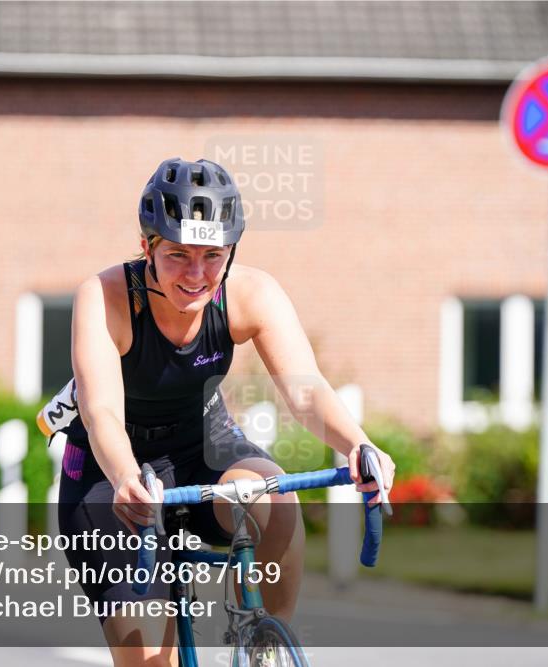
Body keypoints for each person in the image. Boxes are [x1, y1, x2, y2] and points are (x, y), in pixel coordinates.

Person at [47, 157, 395, 666]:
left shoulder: (251, 293)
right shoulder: (106, 298)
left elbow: (305, 390)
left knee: (274, 503)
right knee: (147, 659)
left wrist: (357, 444)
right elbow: (101, 412)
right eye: (178, 255)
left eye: (213, 255)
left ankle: (263, 645)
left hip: (201, 444)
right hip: (111, 469)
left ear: (232, 251)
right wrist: (125, 477)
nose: (196, 274)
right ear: (147, 247)